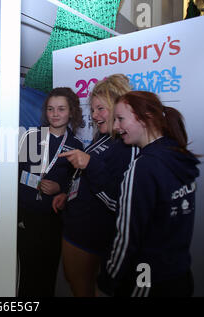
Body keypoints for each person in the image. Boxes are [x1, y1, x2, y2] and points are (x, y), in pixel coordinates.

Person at [97, 91, 200, 297]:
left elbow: (126, 238)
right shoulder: (178, 154)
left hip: (147, 280)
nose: (116, 127)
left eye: (120, 119)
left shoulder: (144, 166)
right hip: (180, 276)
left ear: (146, 117)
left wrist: (107, 282)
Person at [53, 74, 139, 297]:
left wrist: (89, 164)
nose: (94, 115)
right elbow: (86, 176)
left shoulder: (127, 144)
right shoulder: (102, 137)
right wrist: (67, 194)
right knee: (75, 283)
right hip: (77, 224)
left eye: (101, 109)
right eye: (93, 110)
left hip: (91, 234)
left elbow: (118, 202)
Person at [17, 87, 84, 297]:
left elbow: (77, 187)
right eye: (50, 109)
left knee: (47, 274)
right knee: (26, 274)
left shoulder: (76, 146)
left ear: (71, 112)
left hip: (53, 220)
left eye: (61, 109)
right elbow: (13, 174)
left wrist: (60, 189)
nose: (55, 114)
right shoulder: (30, 136)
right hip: (25, 216)